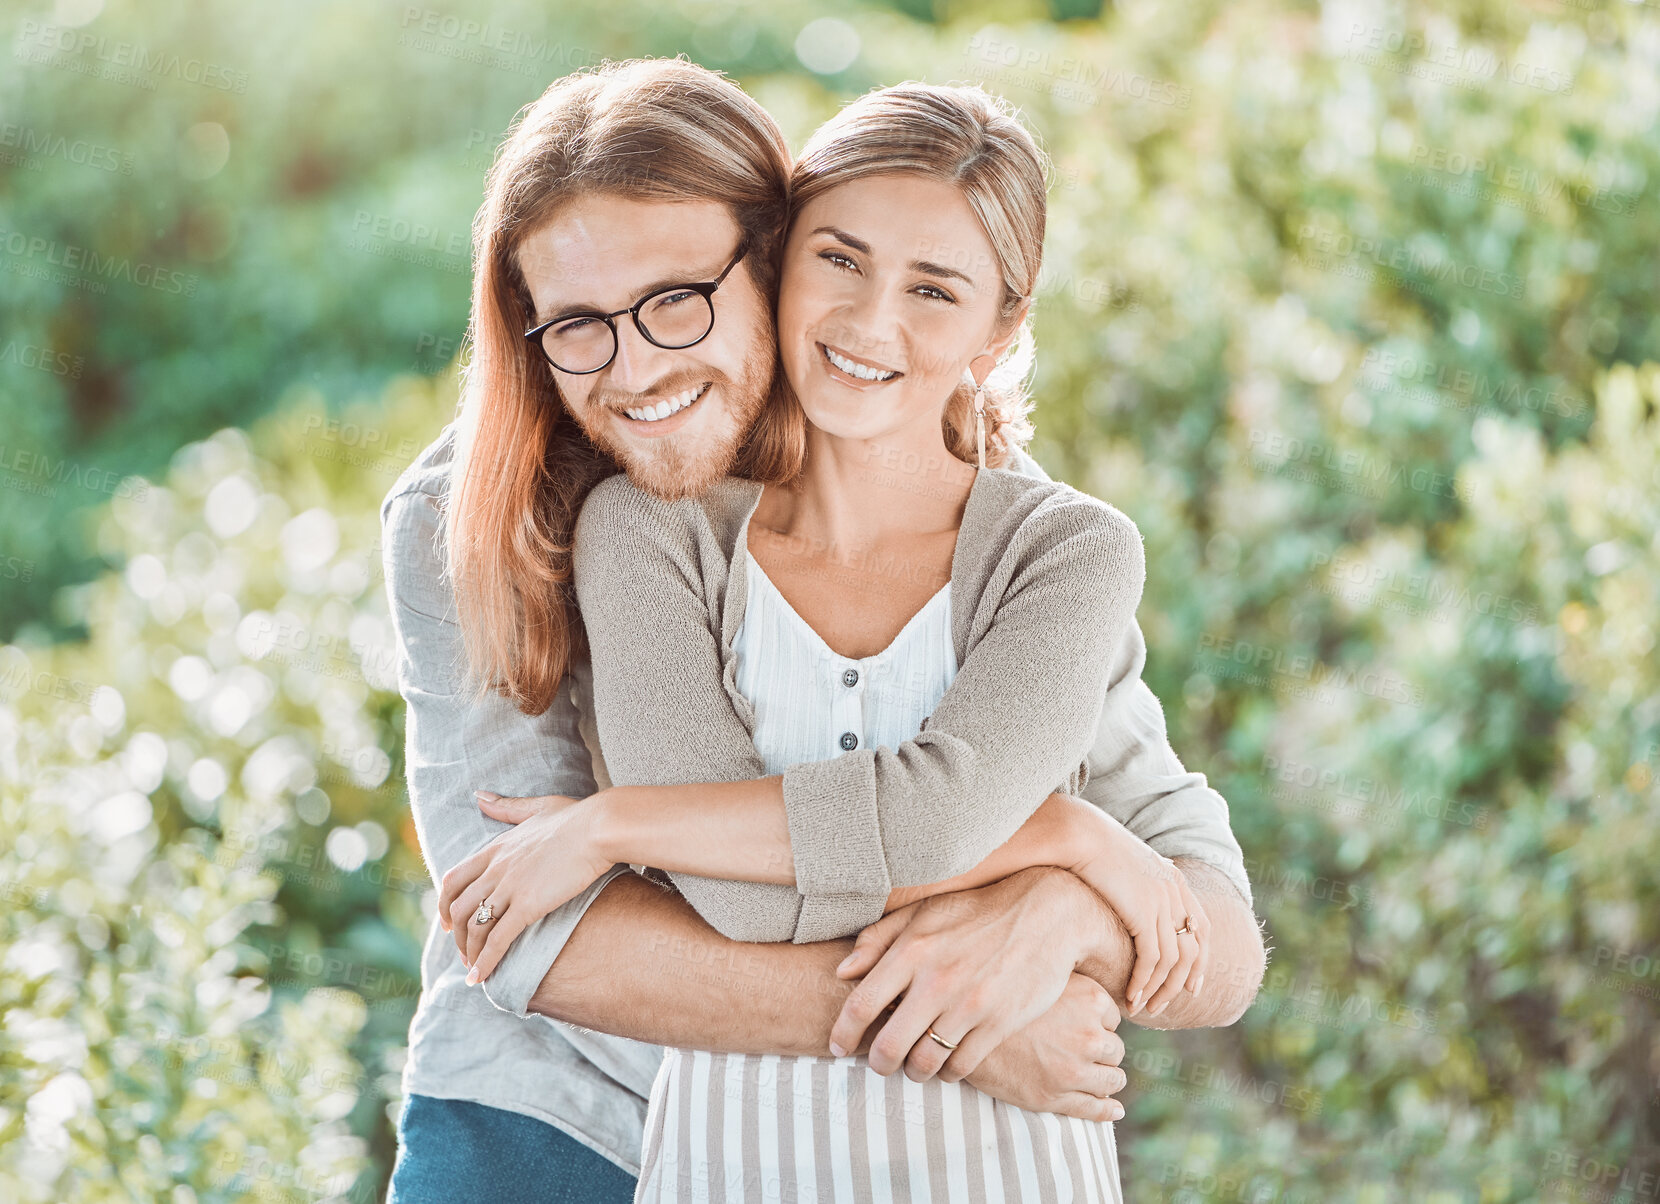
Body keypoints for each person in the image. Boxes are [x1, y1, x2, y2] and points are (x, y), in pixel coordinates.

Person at [384, 57, 1264, 1204]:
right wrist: (958, 1020)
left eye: (675, 301)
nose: (637, 365)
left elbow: (1185, 886)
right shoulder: (471, 512)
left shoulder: (990, 514)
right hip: (553, 1115)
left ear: (772, 258)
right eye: (578, 326)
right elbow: (533, 928)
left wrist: (1066, 894)